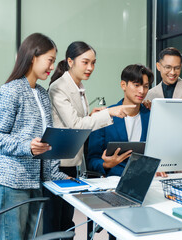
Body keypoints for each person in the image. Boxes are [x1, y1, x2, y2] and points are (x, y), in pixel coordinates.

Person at [0, 33, 68, 240]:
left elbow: (46, 142)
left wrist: (58, 178)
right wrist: (26, 147)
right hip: (8, 181)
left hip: (33, 182)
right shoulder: (10, 91)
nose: (52, 66)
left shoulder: (41, 93)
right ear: (33, 57)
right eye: (50, 60)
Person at [45, 41, 135, 233]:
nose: (90, 68)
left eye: (93, 63)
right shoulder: (58, 87)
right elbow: (75, 125)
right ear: (70, 61)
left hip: (71, 160)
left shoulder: (79, 86)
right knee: (54, 222)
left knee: (66, 221)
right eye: (85, 62)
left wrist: (91, 115)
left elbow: (77, 120)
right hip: (56, 162)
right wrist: (109, 113)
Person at [87, 64, 153, 176]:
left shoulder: (151, 116)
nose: (142, 91)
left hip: (146, 179)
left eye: (146, 86)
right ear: (123, 85)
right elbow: (92, 160)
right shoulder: (104, 116)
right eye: (137, 85)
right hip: (113, 181)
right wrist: (107, 164)